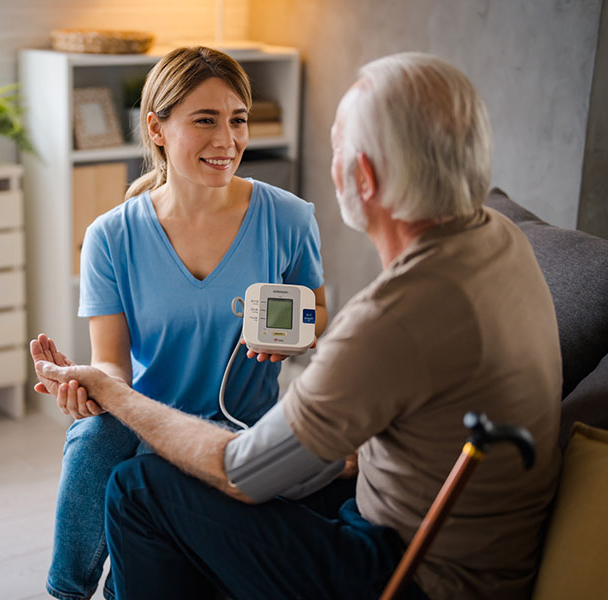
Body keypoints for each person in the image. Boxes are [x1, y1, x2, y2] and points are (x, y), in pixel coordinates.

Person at [33, 52, 562, 600]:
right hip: (428, 533)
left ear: (364, 176)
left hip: (405, 567)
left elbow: (244, 470)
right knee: (102, 444)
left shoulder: (388, 316)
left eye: (337, 149)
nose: (230, 140)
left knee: (138, 491)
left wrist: (113, 395)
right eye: (206, 120)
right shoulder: (502, 238)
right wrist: (105, 389)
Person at [37, 46, 328, 600]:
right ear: (158, 128)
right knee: (97, 433)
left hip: (244, 431)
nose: (228, 140)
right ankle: (65, 592)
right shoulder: (110, 237)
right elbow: (112, 363)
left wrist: (294, 339)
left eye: (237, 119)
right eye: (205, 120)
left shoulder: (290, 218)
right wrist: (90, 389)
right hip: (149, 424)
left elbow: (318, 320)